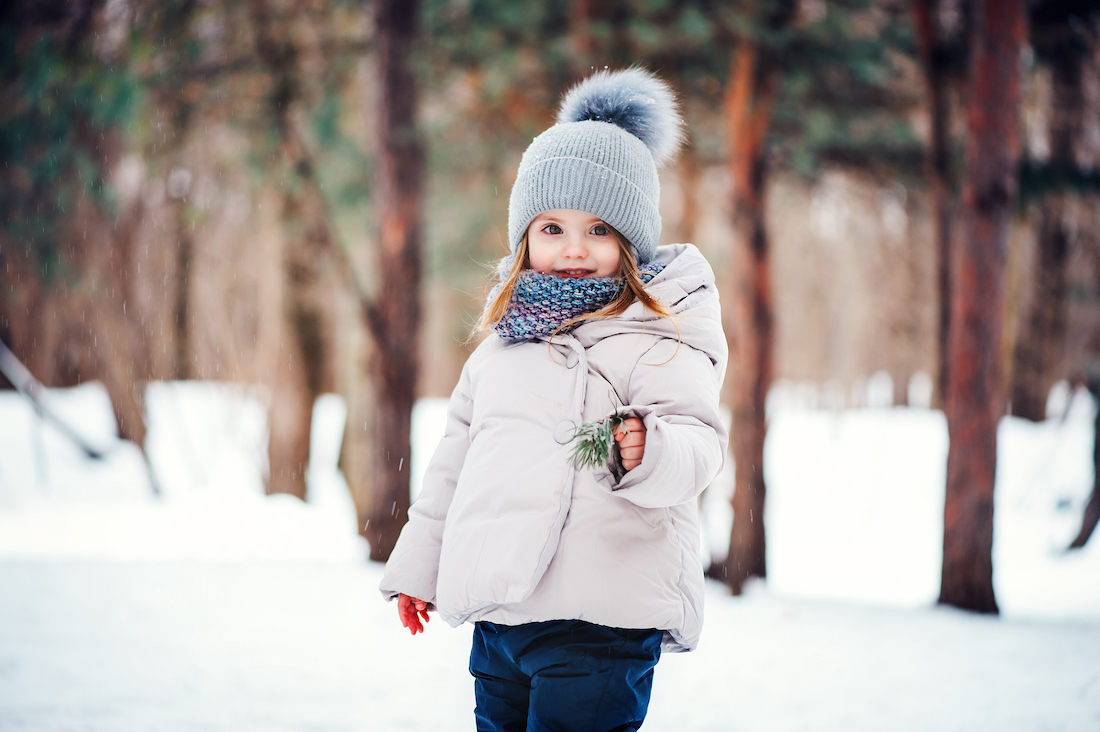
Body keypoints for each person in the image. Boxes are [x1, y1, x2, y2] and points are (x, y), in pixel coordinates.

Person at [379, 67, 728, 732]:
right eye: (551, 228)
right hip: (502, 622)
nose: (573, 249)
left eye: (599, 230)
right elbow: (454, 465)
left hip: (602, 620)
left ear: (631, 240)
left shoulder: (659, 332)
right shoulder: (502, 346)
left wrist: (648, 450)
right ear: (524, 238)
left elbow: (700, 442)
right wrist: (420, 564)